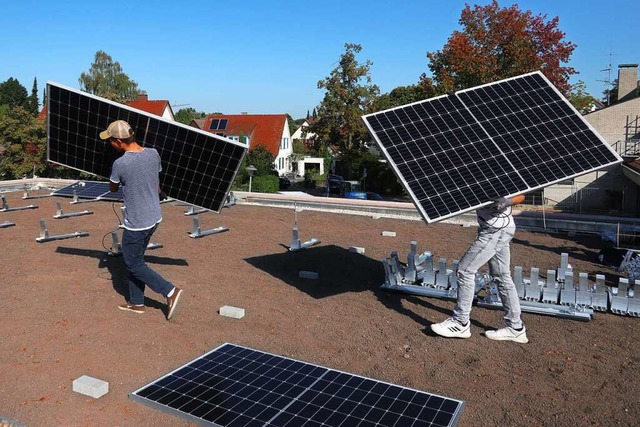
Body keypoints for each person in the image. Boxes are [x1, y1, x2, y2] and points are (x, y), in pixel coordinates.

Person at [101, 120, 183, 320]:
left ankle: (170, 291)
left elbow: (112, 188)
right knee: (136, 260)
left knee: (133, 264)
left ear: (119, 142)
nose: (110, 144)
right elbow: (156, 181)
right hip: (154, 216)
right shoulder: (153, 153)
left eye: (111, 140)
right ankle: (137, 303)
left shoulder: (120, 163)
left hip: (137, 222)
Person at [431, 194, 528, 343]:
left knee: (465, 270)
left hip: (495, 231)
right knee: (502, 277)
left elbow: (522, 195)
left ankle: (460, 323)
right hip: (500, 228)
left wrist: (507, 202)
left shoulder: (499, 174)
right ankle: (516, 328)